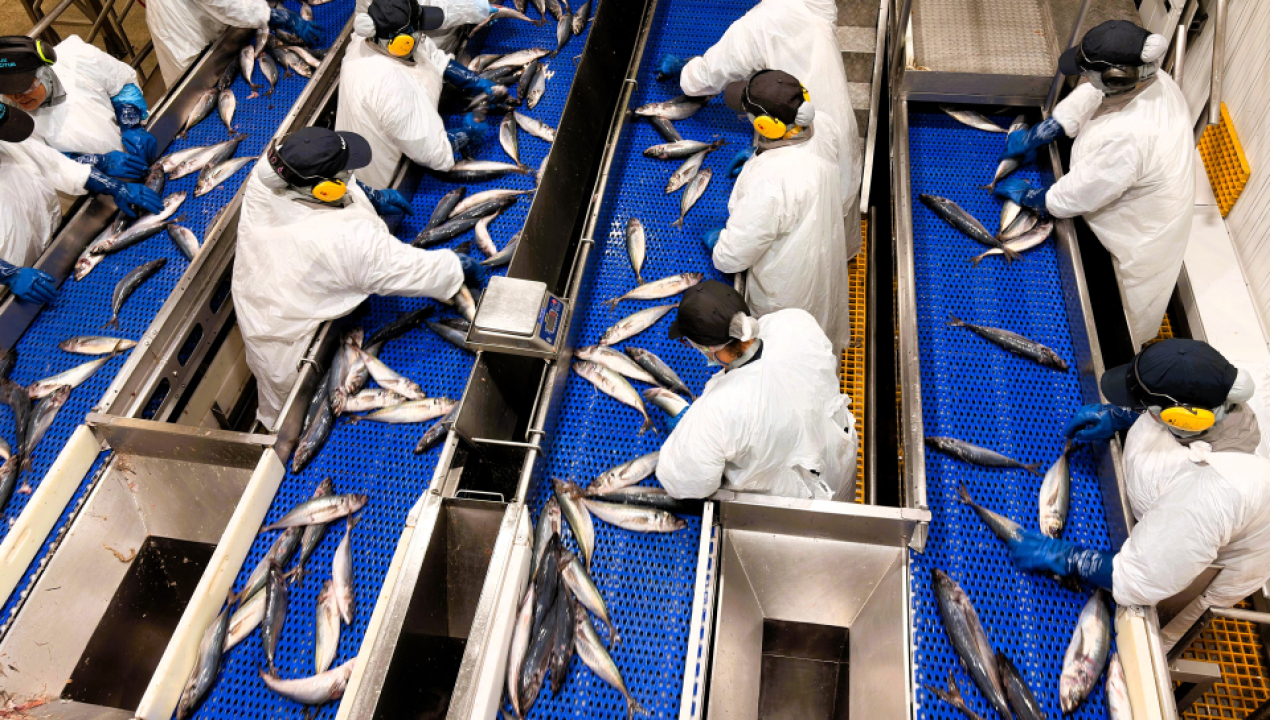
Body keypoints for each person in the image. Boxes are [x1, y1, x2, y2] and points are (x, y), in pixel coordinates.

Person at [1008, 339, 1270, 649]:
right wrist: (1121, 415)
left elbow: (1137, 578)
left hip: (1198, 572)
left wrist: (1066, 556)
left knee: (1163, 631)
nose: (1144, 411)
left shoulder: (1209, 495)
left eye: (1148, 408)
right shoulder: (1212, 384)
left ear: (1181, 419)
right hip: (1190, 511)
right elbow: (1166, 411)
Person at [234, 127, 486, 426]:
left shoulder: (274, 173)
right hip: (294, 344)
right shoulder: (341, 239)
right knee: (305, 420)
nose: (351, 175)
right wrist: (457, 266)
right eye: (345, 173)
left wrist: (369, 195)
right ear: (325, 190)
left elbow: (329, 188)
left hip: (272, 291)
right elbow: (408, 270)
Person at [993, 20, 1193, 347]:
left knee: (1119, 325)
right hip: (1126, 192)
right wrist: (1048, 129)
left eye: (1089, 73)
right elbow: (1093, 91)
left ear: (1117, 77)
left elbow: (1076, 196)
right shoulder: (1149, 79)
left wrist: (1030, 196)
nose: (1084, 78)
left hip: (1138, 238)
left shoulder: (1134, 135)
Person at [656, 0, 862, 258]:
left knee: (801, 243)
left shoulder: (758, 24)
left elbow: (704, 79)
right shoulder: (816, 3)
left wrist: (684, 72)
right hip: (835, 127)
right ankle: (843, 258)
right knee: (835, 222)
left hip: (790, 257)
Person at [654, 280, 857, 500]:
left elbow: (684, 483)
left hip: (793, 500)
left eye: (688, 343)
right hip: (837, 454)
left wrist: (691, 437)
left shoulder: (718, 411)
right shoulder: (794, 321)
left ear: (708, 348)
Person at [701, 70, 850, 358]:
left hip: (787, 292)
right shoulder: (824, 124)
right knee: (819, 346)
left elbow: (731, 258)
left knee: (788, 352)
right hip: (820, 255)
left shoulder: (771, 182)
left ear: (766, 126)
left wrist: (720, 245)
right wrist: (760, 155)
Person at [0, 104, 164, 304]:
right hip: (11, 289)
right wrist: (8, 274)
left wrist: (114, 186)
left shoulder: (7, 140)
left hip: (48, 248)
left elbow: (57, 165)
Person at [336, 0, 499, 188]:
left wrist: (472, 81)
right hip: (386, 179)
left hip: (402, 138)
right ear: (400, 42)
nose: (420, 34)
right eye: (414, 32)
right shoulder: (390, 84)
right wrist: (468, 133)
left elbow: (428, 53)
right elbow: (434, 153)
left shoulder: (373, 40)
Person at [0, 35, 156, 180]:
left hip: (140, 146)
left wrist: (131, 123)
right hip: (95, 182)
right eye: (7, 91)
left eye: (26, 88)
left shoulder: (77, 56)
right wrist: (98, 162)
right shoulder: (6, 119)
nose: (17, 98)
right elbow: (44, 162)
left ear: (45, 73)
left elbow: (121, 84)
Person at [146, 0, 319, 88]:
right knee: (200, 91)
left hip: (204, 19)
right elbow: (225, 5)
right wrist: (272, 15)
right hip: (186, 39)